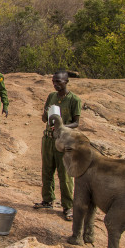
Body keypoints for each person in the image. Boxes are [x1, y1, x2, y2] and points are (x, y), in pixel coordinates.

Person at [33, 70, 82, 221]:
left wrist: (62, 126)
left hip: (64, 140)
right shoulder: (51, 97)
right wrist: (46, 114)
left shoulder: (74, 100)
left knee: (65, 174)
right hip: (48, 139)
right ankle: (47, 200)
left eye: (59, 82)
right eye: (54, 81)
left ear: (66, 82)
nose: (56, 84)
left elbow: (76, 122)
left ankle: (68, 206)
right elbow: (44, 118)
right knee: (47, 170)